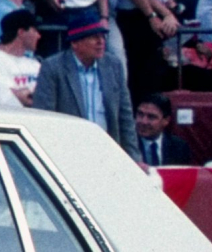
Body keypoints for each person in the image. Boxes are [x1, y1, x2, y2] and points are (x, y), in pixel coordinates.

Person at [32, 14, 137, 156]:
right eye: (94, 37)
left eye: (102, 36)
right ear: (75, 43)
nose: (101, 42)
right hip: (69, 152)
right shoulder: (53, 67)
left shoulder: (113, 65)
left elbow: (125, 116)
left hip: (108, 150)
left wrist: (133, 157)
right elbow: (43, 117)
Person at [0, 9, 43, 107]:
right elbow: (6, 98)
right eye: (35, 30)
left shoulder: (35, 64)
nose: (38, 36)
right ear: (21, 32)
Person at [134, 94, 194, 167]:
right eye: (140, 114)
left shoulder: (179, 147)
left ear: (166, 120)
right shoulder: (125, 145)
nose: (143, 121)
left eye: (151, 117)